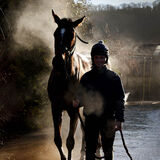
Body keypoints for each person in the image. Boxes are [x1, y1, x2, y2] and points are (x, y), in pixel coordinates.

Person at [73, 40, 125, 160]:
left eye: (102, 57)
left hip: (108, 120)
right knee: (90, 151)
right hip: (91, 120)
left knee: (108, 151)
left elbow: (119, 100)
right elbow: (82, 98)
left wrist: (119, 120)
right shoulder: (86, 78)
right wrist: (77, 102)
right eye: (97, 57)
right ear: (93, 58)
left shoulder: (114, 77)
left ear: (106, 59)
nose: (99, 60)